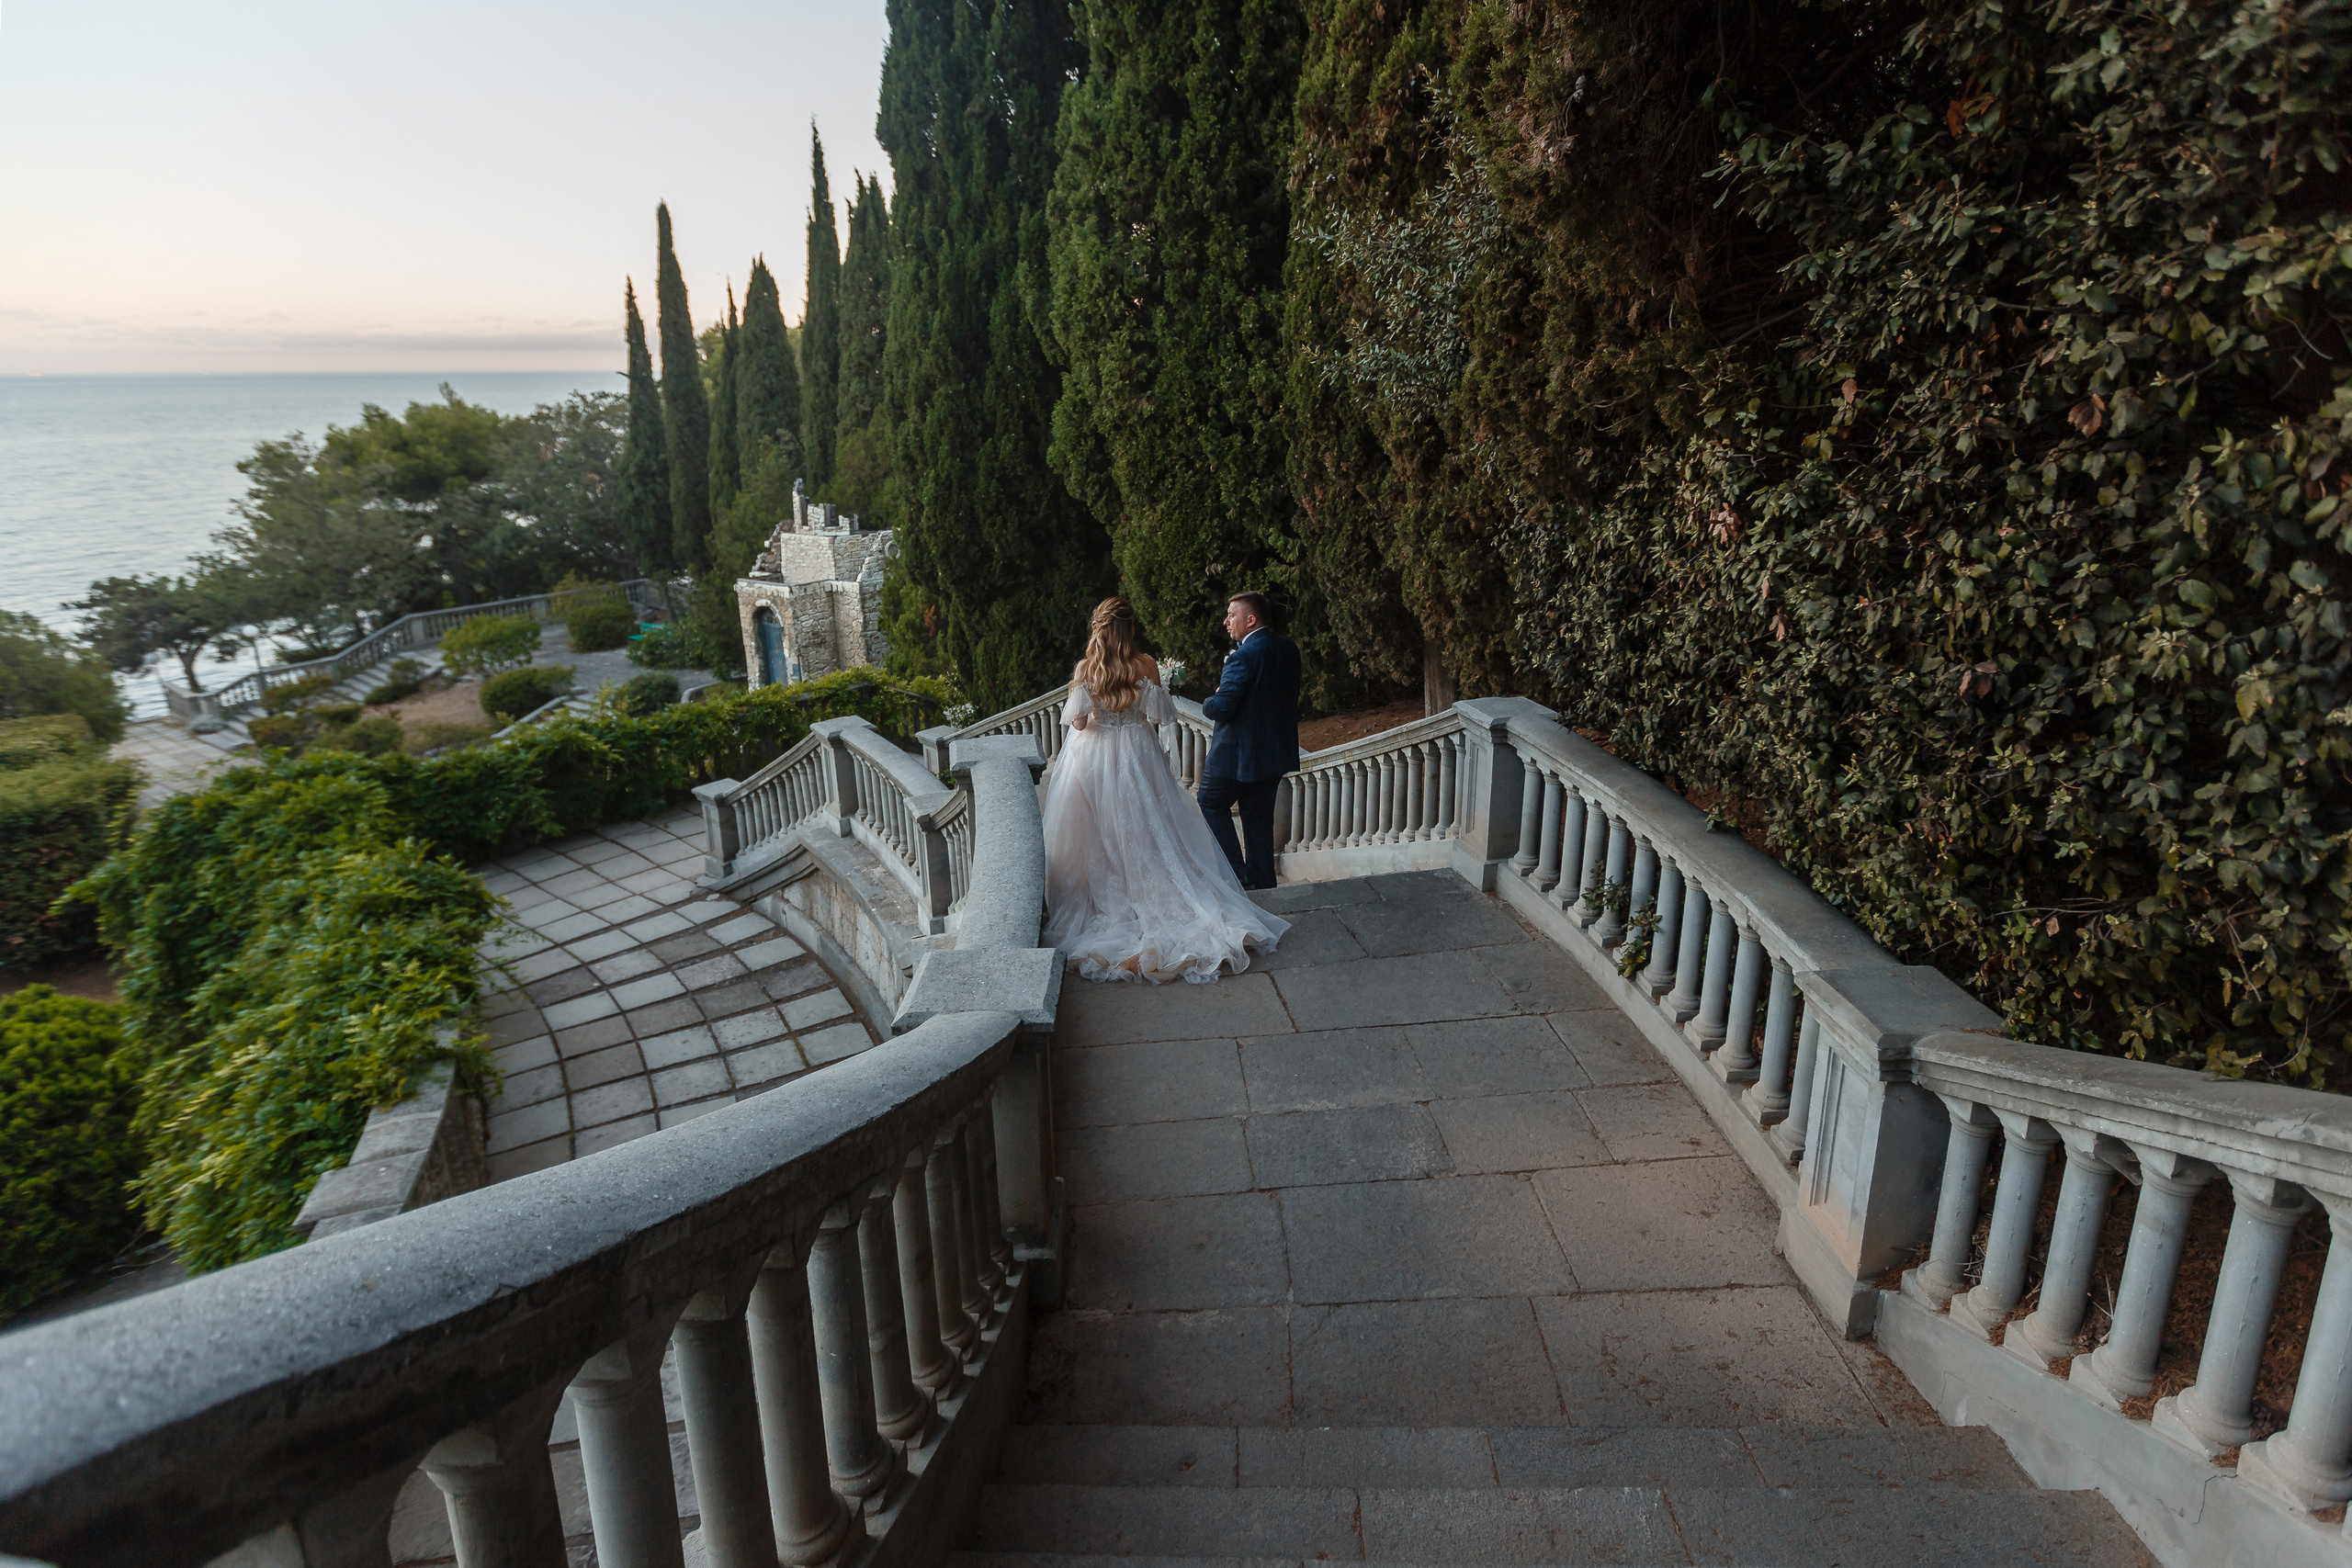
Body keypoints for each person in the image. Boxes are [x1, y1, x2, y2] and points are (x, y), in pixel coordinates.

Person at [1042, 597, 1289, 983]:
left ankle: (1116, 898)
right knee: (1148, 829)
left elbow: (1076, 723)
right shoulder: (1147, 664)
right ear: (1130, 628)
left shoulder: (1086, 668)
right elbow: (1158, 717)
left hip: (1093, 757)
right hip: (1138, 754)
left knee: (1100, 835)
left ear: (1099, 628)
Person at [1196, 592, 1300, 892]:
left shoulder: (1243, 656)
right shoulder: (1288, 648)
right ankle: (1264, 887)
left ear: (1250, 619)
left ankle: (1238, 876)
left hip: (1235, 756)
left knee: (1210, 802)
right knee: (1258, 825)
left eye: (1232, 615)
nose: (1226, 621)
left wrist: (1209, 700)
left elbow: (1222, 708)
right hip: (1273, 755)